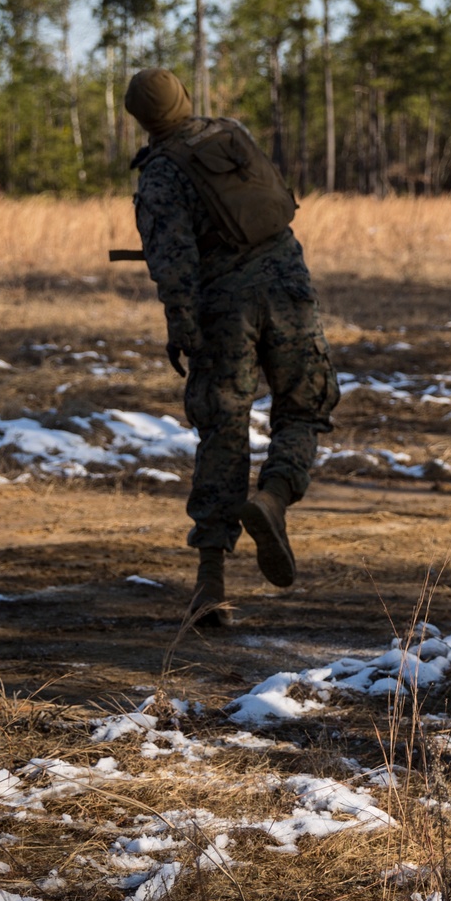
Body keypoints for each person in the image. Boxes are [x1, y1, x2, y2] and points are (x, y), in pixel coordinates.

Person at [124, 67, 340, 628]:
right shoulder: (229, 132)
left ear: (140, 120)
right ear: (185, 99)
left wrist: (182, 327)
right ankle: (274, 495)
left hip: (225, 306)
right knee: (304, 407)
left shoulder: (160, 176)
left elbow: (173, 264)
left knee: (224, 427)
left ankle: (210, 584)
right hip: (288, 283)